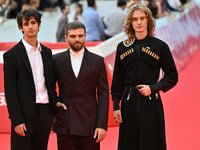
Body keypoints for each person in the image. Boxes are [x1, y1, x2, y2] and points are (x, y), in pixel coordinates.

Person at [111, 3, 178, 150]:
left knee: (152, 143)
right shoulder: (122, 47)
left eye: (142, 18)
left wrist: (154, 88)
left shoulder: (160, 46)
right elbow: (117, 80)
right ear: (130, 22)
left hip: (151, 102)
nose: (139, 22)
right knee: (128, 143)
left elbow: (172, 76)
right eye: (135, 19)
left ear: (148, 20)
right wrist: (116, 106)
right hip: (128, 103)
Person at [3, 9, 66, 150]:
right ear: (21, 27)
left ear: (39, 25)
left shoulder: (47, 52)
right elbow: (10, 91)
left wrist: (55, 102)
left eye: (33, 23)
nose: (30, 26)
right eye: (26, 24)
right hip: (24, 114)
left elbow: (50, 83)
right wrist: (16, 120)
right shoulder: (11, 55)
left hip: (45, 111)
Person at [52, 21, 109, 150]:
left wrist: (101, 125)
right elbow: (49, 86)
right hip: (66, 121)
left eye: (80, 35)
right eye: (73, 36)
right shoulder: (56, 60)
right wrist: (55, 103)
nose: (77, 39)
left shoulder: (97, 61)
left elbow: (103, 94)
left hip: (90, 123)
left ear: (85, 36)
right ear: (66, 38)